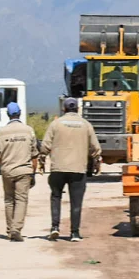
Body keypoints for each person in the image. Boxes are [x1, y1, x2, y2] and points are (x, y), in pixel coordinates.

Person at [40, 97, 102, 242]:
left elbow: (45, 146)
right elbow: (96, 148)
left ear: (64, 109)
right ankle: (74, 233)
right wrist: (95, 158)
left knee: (56, 197)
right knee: (76, 201)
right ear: (78, 109)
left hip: (58, 168)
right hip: (78, 169)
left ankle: (55, 227)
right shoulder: (86, 125)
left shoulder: (55, 124)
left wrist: (43, 157)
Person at [0, 102, 39, 242]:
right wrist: (33, 173)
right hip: (24, 170)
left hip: (7, 170)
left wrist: (5, 164)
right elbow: (34, 155)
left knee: (9, 200)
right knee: (21, 200)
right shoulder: (28, 130)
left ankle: (9, 230)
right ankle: (16, 229)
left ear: (8, 114)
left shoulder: (1, 132)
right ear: (19, 113)